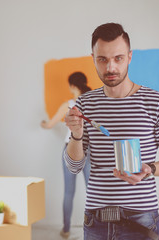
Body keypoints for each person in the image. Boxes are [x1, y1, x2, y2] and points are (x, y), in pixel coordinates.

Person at [63, 23, 159, 240]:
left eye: (118, 58)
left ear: (129, 57)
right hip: (96, 221)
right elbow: (74, 167)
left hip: (141, 218)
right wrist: (76, 134)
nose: (110, 67)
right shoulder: (85, 105)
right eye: (102, 59)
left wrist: (150, 169)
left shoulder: (158, 103)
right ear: (93, 58)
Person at [41, 72, 91, 239]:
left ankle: (66, 230)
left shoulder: (68, 104)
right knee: (93, 191)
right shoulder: (93, 103)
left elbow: (49, 125)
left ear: (72, 86)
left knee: (69, 192)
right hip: (90, 150)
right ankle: (95, 229)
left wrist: (44, 124)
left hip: (70, 149)